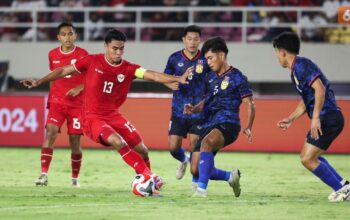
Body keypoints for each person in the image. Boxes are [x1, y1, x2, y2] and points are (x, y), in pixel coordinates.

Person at [21, 28, 191, 194]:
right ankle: (149, 176)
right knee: (118, 142)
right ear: (106, 46)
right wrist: (38, 82)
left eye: (121, 49)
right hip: (92, 117)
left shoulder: (128, 68)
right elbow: (63, 70)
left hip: (113, 115)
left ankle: (149, 183)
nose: (118, 53)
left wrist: (177, 78)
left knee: (143, 150)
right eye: (114, 48)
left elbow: (152, 75)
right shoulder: (91, 61)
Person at [273, 32, 350, 202]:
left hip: (328, 117)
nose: (277, 57)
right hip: (328, 117)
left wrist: (315, 118)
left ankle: (342, 188)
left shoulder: (301, 65)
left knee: (307, 158)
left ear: (282, 52)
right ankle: (343, 185)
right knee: (311, 157)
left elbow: (320, 89)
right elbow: (306, 99)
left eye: (276, 53)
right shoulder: (296, 70)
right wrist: (291, 118)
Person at [184, 36, 256, 197]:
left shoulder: (237, 77)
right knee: (195, 168)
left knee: (207, 143)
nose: (208, 62)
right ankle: (230, 177)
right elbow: (207, 101)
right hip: (209, 123)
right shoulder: (211, 78)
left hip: (228, 123)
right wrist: (193, 109)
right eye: (206, 59)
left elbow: (250, 103)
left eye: (210, 58)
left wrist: (249, 126)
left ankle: (201, 191)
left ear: (221, 55)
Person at [35, 22, 88, 187]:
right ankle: (43, 174)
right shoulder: (52, 54)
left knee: (74, 141)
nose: (67, 37)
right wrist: (51, 99)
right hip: (57, 102)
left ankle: (74, 178)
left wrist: (80, 88)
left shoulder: (83, 54)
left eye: (70, 34)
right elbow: (53, 77)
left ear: (75, 36)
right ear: (58, 37)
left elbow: (93, 78)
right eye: (64, 34)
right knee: (50, 133)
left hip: (77, 105)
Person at [163, 25, 210, 184]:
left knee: (195, 145)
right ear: (183, 40)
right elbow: (165, 77)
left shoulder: (206, 59)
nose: (192, 42)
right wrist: (170, 84)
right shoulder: (174, 58)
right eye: (189, 39)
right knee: (173, 147)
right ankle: (183, 160)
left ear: (200, 40)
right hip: (178, 110)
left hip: (198, 112)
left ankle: (196, 184)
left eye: (196, 39)